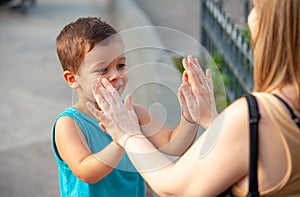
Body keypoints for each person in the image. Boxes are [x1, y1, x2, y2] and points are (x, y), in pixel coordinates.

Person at [87, 0, 300, 196]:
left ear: (273, 25)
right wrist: (213, 120)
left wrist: (127, 135)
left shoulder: (255, 117)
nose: (248, 17)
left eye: (255, 7)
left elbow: (175, 190)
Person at [52, 17, 215, 197]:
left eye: (120, 65)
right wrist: (121, 139)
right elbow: (86, 171)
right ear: (72, 79)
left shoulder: (135, 113)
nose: (115, 75)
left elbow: (173, 146)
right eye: (103, 70)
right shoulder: (69, 124)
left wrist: (190, 116)